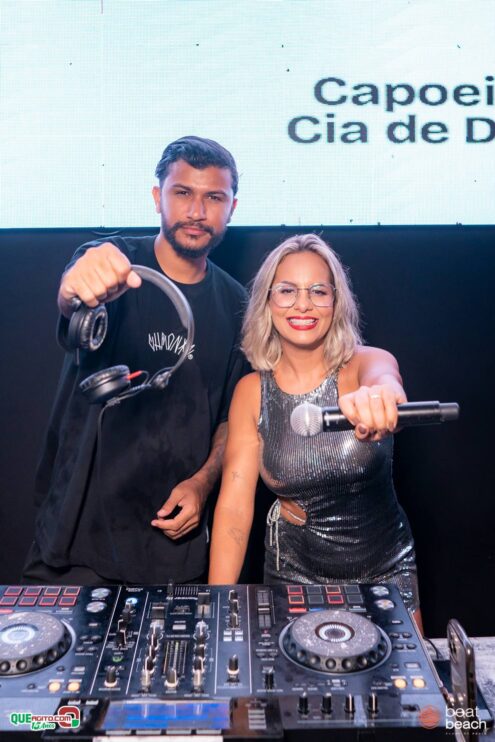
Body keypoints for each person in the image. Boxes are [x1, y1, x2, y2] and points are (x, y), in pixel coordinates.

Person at [23, 136, 249, 586]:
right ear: (157, 197)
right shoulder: (113, 263)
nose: (196, 211)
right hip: (78, 543)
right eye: (182, 193)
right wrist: (76, 284)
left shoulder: (238, 305)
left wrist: (203, 483)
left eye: (213, 197)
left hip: (172, 549)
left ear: (232, 208)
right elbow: (74, 294)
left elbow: (230, 420)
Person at [208, 233, 422, 628]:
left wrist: (381, 397)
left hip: (385, 573)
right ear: (267, 302)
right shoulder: (251, 392)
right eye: (287, 290)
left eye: (318, 291)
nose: (303, 304)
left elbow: (386, 381)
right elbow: (235, 510)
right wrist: (216, 609)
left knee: (408, 669)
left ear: (336, 302)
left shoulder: (366, 364)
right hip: (293, 574)